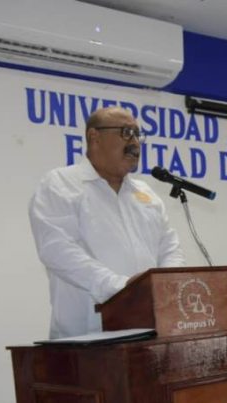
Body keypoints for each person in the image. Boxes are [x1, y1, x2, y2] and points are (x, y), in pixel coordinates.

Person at [29, 106, 184, 338]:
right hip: (86, 339)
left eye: (138, 135)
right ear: (94, 137)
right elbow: (57, 250)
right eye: (126, 132)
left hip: (151, 333)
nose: (135, 143)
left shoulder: (146, 194)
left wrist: (168, 288)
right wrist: (122, 288)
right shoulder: (61, 183)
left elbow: (170, 248)